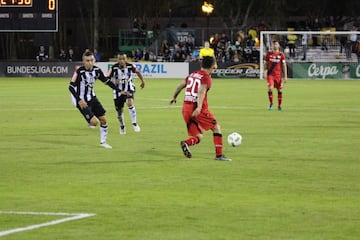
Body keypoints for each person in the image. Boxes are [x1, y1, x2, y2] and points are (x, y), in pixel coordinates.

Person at [169, 56, 231, 161]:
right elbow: (201, 91)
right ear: (212, 66)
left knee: (199, 136)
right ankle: (219, 155)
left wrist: (174, 97)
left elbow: (180, 86)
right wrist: (198, 107)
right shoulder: (206, 77)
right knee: (216, 128)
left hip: (185, 108)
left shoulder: (192, 74)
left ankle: (186, 143)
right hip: (198, 109)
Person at [68, 51, 119, 149]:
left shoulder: (97, 70)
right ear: (84, 61)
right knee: (95, 122)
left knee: (104, 120)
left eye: (92, 60)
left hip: (92, 98)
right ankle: (89, 119)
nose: (90, 62)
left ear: (94, 60)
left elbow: (107, 81)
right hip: (81, 100)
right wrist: (79, 100)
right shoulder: (79, 71)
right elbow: (71, 86)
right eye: (87, 61)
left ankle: (103, 142)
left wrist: (119, 90)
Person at [107, 52, 145, 134]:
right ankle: (122, 126)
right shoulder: (113, 68)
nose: (122, 61)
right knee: (119, 112)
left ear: (126, 59)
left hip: (128, 89)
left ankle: (134, 124)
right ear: (117, 60)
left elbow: (138, 72)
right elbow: (106, 79)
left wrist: (142, 81)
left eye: (123, 59)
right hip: (118, 92)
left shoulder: (130, 66)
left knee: (130, 102)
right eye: (120, 59)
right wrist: (114, 81)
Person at [263, 40, 287, 111]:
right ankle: (271, 104)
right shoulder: (269, 54)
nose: (275, 45)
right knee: (270, 88)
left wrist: (285, 76)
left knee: (279, 90)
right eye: (273, 44)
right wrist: (264, 72)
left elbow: (284, 66)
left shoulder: (281, 55)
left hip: (278, 75)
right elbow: (265, 64)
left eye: (276, 44)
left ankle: (279, 106)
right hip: (270, 75)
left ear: (278, 46)